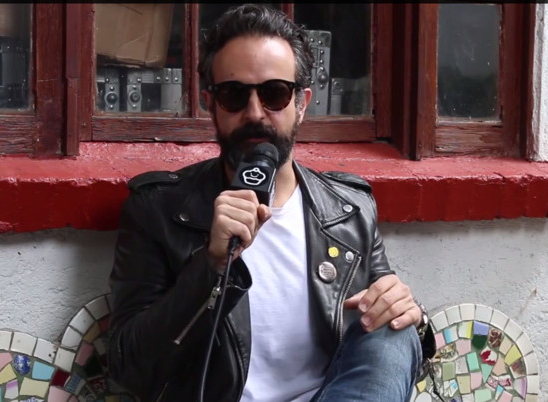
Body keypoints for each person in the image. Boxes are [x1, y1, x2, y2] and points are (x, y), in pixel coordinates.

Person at [107, 4, 434, 401]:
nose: (255, 113)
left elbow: (388, 344)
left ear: (302, 103)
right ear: (210, 104)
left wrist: (414, 319)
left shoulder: (349, 210)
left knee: (392, 332)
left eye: (274, 94)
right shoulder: (160, 209)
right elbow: (129, 370)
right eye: (234, 95)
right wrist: (211, 267)